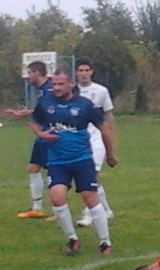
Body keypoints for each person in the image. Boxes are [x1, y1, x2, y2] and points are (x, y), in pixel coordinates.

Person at [30, 68, 118, 255]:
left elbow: (104, 128)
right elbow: (34, 121)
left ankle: (105, 242)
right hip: (57, 161)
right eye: (54, 84)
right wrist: (40, 134)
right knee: (56, 198)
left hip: (82, 159)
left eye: (61, 84)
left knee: (89, 197)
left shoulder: (84, 105)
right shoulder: (45, 103)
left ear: (70, 84)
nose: (56, 88)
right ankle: (72, 239)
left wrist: (110, 153)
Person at [3, 61, 54, 218]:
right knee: (33, 169)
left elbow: (52, 110)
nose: (28, 76)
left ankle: (58, 209)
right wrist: (23, 114)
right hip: (42, 135)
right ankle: (37, 208)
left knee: (54, 172)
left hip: (50, 135)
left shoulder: (49, 89)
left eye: (30, 73)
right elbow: (40, 111)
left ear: (38, 72)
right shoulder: (41, 90)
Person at [74, 57, 117, 228]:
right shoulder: (72, 91)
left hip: (97, 138)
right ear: (76, 72)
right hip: (80, 139)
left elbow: (108, 114)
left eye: (87, 70)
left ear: (92, 72)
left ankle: (88, 215)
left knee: (91, 175)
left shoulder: (101, 91)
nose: (84, 74)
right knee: (91, 179)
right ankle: (106, 210)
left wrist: (110, 137)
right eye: (81, 70)